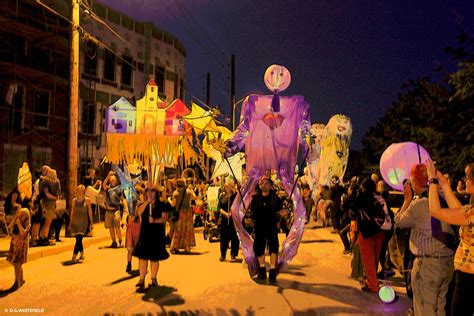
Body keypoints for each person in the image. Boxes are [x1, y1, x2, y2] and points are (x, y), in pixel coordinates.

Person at [395, 164, 455, 315]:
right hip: (447, 261)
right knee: (440, 308)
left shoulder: (418, 204)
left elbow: (398, 222)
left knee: (424, 309)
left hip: (428, 264)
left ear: (414, 181)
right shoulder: (442, 198)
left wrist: (407, 199)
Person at [426, 160, 473, 315]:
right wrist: (445, 185)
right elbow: (459, 211)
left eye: (468, 177)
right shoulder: (470, 212)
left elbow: (435, 211)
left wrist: (432, 181)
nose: (465, 180)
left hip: (468, 279)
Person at [348, 178, 386, 293]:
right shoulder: (379, 196)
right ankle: (371, 281)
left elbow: (352, 211)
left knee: (368, 259)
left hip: (367, 231)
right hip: (381, 230)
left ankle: (373, 285)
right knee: (375, 258)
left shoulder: (362, 197)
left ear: (363, 187)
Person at [133, 187, 171, 293]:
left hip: (156, 233)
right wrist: (147, 202)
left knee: (154, 258)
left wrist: (154, 220)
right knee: (142, 257)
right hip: (145, 233)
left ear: (156, 193)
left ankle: (153, 278)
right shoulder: (143, 204)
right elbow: (138, 213)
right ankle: (141, 279)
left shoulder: (161, 205)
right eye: (148, 191)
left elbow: (164, 218)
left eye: (152, 191)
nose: (150, 193)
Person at [249, 176, 283, 283]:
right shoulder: (255, 198)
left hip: (271, 226)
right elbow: (252, 214)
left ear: (270, 185)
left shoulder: (275, 198)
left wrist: (282, 214)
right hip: (259, 227)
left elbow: (281, 211)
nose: (265, 185)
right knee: (259, 248)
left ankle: (272, 271)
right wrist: (249, 218)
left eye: (267, 183)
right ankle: (262, 269)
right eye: (262, 183)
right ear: (259, 185)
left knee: (274, 247)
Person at [170, 178, 197, 254]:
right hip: (188, 213)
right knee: (187, 230)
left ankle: (174, 246)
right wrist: (191, 190)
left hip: (180, 213)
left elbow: (173, 204)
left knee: (177, 230)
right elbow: (195, 197)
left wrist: (169, 200)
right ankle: (187, 247)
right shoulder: (188, 192)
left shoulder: (175, 193)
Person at [7, 206, 31, 289]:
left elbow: (23, 233)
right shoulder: (17, 221)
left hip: (21, 247)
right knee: (16, 264)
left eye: (22, 214)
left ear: (26, 215)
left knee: (17, 264)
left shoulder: (27, 223)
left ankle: (17, 282)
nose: (20, 216)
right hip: (14, 245)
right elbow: (9, 227)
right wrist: (15, 219)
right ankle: (21, 279)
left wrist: (19, 224)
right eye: (19, 214)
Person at [68, 185, 93, 262]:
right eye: (78, 190)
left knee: (79, 239)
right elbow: (72, 211)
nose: (79, 191)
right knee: (78, 239)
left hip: (83, 222)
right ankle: (82, 254)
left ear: (84, 191)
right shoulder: (74, 200)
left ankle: (74, 256)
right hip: (76, 222)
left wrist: (91, 222)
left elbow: (89, 211)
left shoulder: (87, 200)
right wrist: (70, 222)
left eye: (81, 190)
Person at [218, 180, 239, 262]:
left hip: (233, 219)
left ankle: (233, 254)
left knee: (234, 237)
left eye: (227, 186)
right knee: (223, 238)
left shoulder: (235, 195)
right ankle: (223, 254)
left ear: (231, 186)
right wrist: (225, 213)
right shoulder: (222, 196)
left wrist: (232, 212)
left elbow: (238, 205)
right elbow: (219, 208)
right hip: (224, 219)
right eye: (225, 186)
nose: (226, 187)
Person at [38, 168, 60, 246]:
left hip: (44, 202)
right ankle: (45, 238)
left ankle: (41, 237)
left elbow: (45, 193)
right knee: (48, 223)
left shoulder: (44, 181)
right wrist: (55, 198)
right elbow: (57, 193)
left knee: (45, 222)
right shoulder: (55, 182)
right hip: (51, 204)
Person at [102, 172, 122, 248]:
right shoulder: (108, 188)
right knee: (110, 228)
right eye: (111, 179)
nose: (113, 180)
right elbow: (103, 185)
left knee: (117, 227)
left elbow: (122, 199)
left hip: (116, 210)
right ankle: (114, 242)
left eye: (114, 179)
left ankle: (120, 240)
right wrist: (108, 175)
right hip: (109, 210)